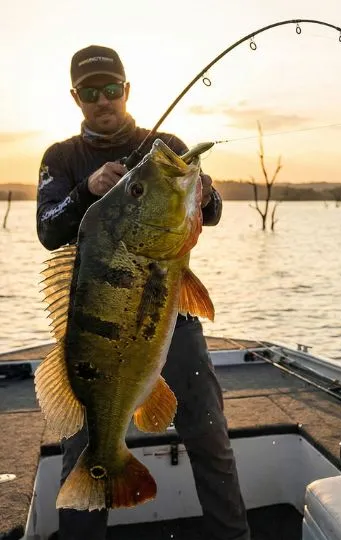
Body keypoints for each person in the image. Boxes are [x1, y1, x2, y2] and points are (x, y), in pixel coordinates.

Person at [36, 44, 251, 540]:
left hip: (170, 314)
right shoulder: (62, 158)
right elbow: (48, 230)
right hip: (93, 328)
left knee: (208, 432)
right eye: (91, 92)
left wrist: (206, 192)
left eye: (111, 88)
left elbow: (212, 211)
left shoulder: (164, 147)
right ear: (76, 98)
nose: (103, 100)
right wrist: (86, 190)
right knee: (85, 442)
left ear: (126, 90)